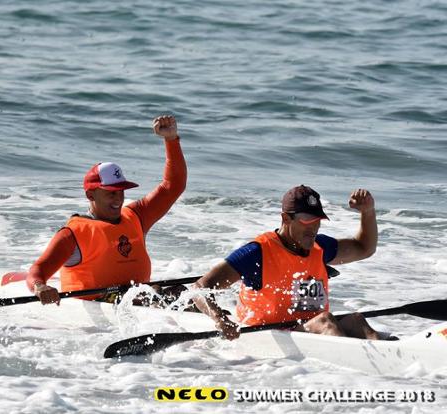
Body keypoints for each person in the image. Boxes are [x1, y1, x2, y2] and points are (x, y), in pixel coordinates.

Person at [26, 115, 186, 305]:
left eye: (121, 191)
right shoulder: (72, 234)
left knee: (184, 293)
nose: (118, 198)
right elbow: (39, 270)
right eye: (110, 193)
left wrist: (171, 140)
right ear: (90, 196)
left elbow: (173, 186)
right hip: (94, 309)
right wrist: (40, 287)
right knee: (150, 295)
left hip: (141, 301)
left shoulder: (137, 216)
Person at [193, 185, 381, 340]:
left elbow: (364, 248)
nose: (313, 228)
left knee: (356, 320)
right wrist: (220, 319)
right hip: (266, 335)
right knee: (326, 322)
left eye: (318, 221)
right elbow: (199, 287)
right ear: (285, 218)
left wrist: (368, 211)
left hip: (309, 329)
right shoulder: (256, 253)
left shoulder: (319, 246)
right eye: (307, 221)